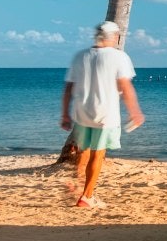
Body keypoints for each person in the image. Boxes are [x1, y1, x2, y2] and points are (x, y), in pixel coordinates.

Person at [60, 21, 145, 209]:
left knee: (84, 150)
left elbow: (68, 89)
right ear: (114, 37)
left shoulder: (80, 56)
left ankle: (79, 182)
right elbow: (125, 86)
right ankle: (87, 196)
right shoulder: (118, 57)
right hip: (105, 115)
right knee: (98, 155)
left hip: (82, 113)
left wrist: (65, 114)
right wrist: (135, 112)